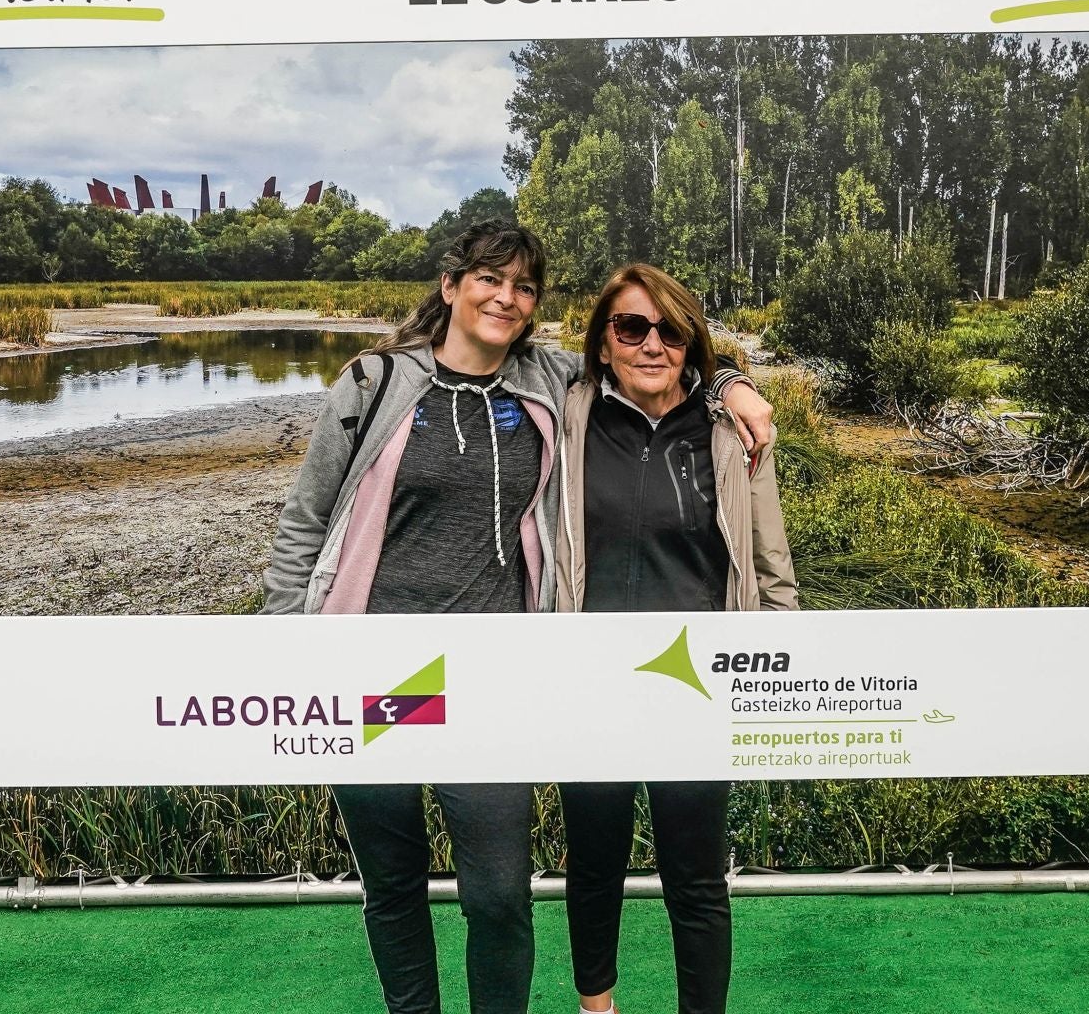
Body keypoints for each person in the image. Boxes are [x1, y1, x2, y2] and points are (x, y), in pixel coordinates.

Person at [261, 224, 773, 1014]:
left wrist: (733, 383)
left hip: (491, 685)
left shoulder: (547, 378)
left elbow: (659, 364)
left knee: (499, 895)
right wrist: (285, 647)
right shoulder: (373, 383)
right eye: (490, 280)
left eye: (524, 287)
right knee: (391, 886)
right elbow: (304, 521)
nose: (507, 297)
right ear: (451, 286)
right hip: (368, 674)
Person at [553, 264, 799, 1014]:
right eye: (631, 327)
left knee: (694, 876)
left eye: (670, 330)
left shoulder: (731, 431)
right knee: (594, 863)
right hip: (588, 681)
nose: (651, 343)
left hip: (699, 686)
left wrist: (777, 665)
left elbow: (770, 563)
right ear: (602, 343)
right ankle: (598, 1008)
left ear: (690, 342)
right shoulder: (566, 414)